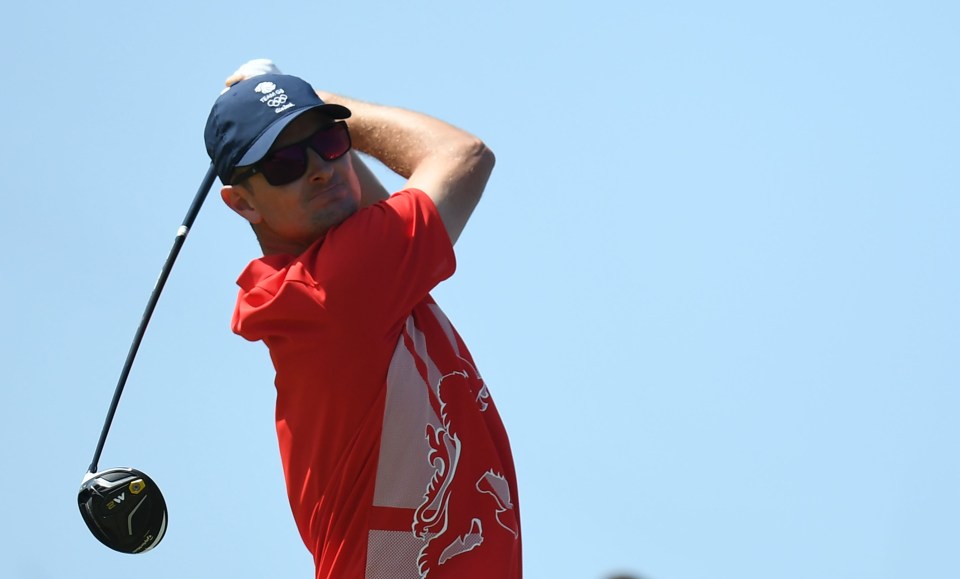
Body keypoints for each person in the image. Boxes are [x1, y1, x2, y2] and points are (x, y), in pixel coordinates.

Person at [203, 60, 522, 578]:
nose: (320, 168)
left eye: (328, 142)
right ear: (243, 205)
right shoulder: (341, 288)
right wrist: (323, 102)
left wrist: (289, 100)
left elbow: (363, 206)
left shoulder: (347, 279)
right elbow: (462, 155)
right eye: (284, 163)